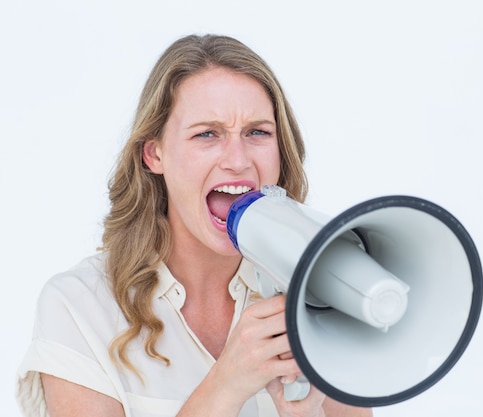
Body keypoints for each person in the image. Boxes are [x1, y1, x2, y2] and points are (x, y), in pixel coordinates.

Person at [16, 34, 372, 417]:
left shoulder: (320, 295)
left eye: (258, 132)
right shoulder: (79, 307)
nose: (238, 160)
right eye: (207, 134)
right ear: (154, 154)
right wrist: (227, 383)